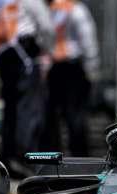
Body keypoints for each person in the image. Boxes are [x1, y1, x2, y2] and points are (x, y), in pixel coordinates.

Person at [0, 0, 54, 175]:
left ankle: (7, 156)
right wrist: (47, 50)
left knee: (10, 107)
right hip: (26, 54)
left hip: (5, 54)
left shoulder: (0, 2)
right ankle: (24, 158)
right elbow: (47, 27)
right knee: (29, 108)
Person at [41, 0, 99, 156]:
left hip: (59, 67)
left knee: (53, 118)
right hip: (72, 68)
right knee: (74, 117)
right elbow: (88, 41)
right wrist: (91, 70)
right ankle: (79, 158)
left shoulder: (49, 11)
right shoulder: (76, 9)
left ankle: (53, 158)